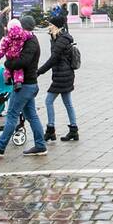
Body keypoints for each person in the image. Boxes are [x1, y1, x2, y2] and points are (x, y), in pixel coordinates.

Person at [0, 15, 47, 157]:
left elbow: (22, 62)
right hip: (29, 85)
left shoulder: (30, 42)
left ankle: (0, 147)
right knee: (32, 115)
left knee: (12, 115)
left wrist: (7, 63)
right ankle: (40, 145)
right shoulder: (28, 40)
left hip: (25, 85)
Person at [38, 14, 78, 143]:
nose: (49, 27)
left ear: (56, 27)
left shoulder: (61, 40)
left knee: (49, 101)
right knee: (68, 103)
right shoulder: (60, 38)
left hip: (62, 75)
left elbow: (53, 59)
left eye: (50, 25)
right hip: (65, 74)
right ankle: (73, 130)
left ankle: (50, 130)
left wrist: (39, 71)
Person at [0, 19, 32, 90]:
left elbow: (3, 47)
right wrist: (32, 34)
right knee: (18, 69)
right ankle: (18, 83)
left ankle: (7, 78)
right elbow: (30, 34)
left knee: (7, 67)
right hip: (18, 54)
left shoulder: (8, 37)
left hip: (9, 55)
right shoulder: (23, 34)